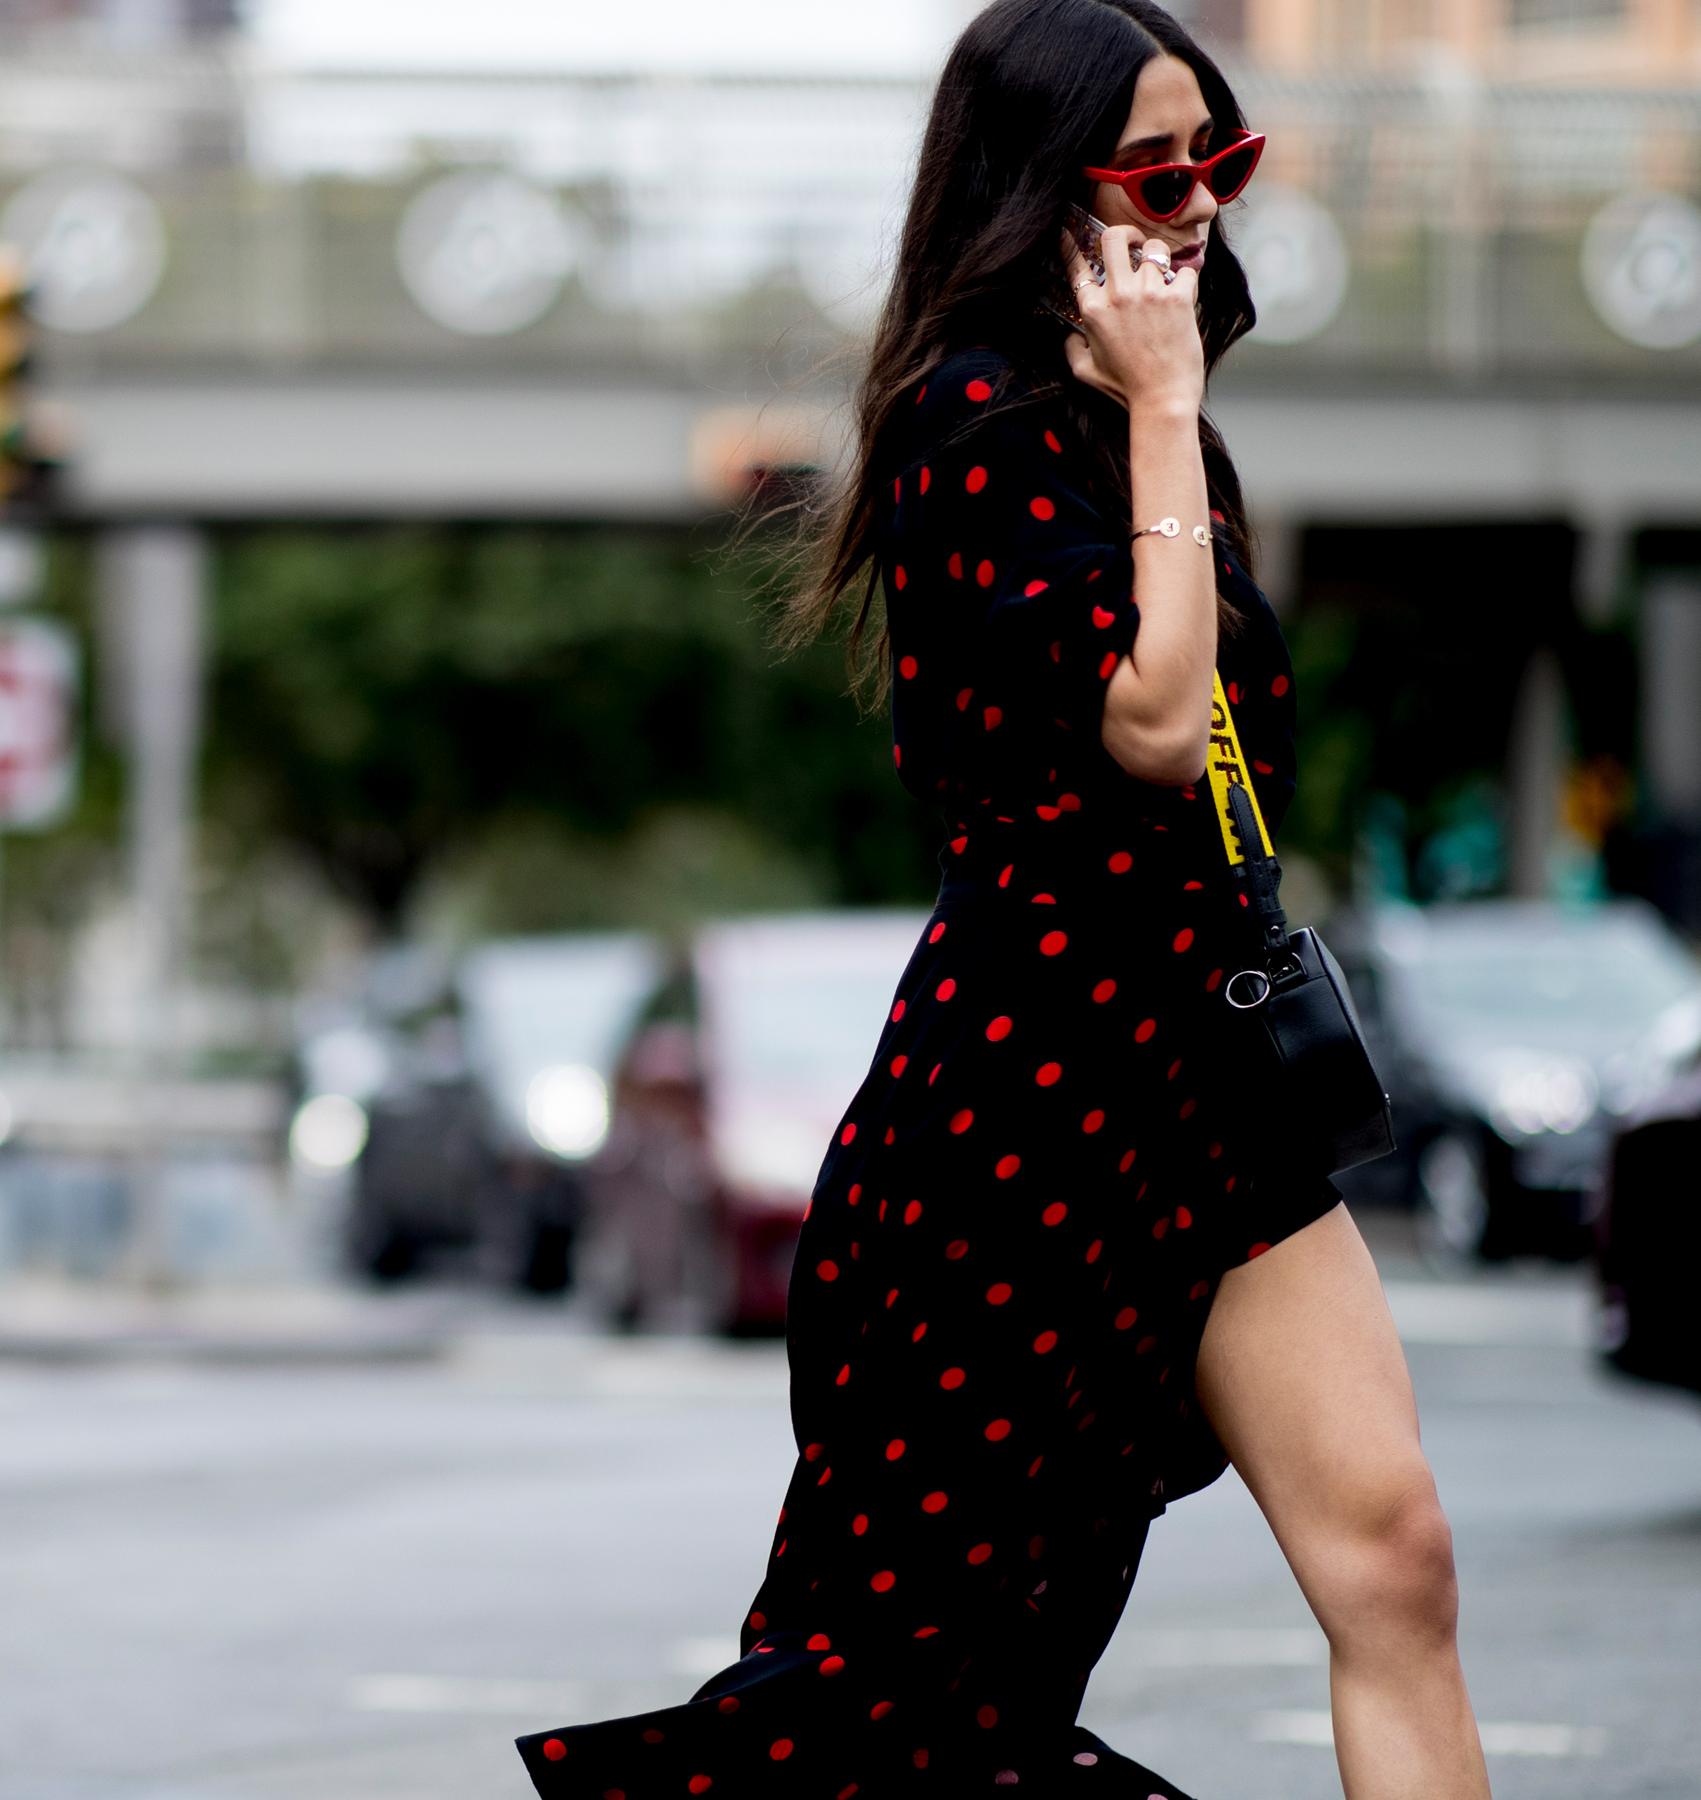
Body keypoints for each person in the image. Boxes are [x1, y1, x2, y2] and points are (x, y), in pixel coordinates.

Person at [518, 4, 1492, 1796]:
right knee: (921, 1694)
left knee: (1396, 1559)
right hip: (1029, 1110)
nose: (1198, 202)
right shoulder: (971, 422)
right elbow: (1153, 723)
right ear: (1043, 186)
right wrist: (1168, 410)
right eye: (1152, 168)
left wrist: (1165, 426)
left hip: (1209, 1089)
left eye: (1220, 158)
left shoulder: (1152, 439)